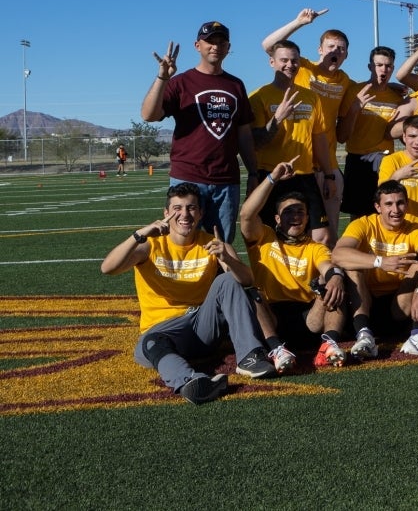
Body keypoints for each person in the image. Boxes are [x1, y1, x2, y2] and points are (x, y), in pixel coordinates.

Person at [100, 183, 275, 405]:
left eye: (191, 208)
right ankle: (192, 382)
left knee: (229, 279)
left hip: (202, 325)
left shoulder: (212, 243)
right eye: (177, 208)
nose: (184, 214)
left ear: (201, 213)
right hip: (164, 331)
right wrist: (139, 235)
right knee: (150, 343)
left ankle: (249, 357)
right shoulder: (150, 245)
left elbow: (248, 281)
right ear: (166, 213)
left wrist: (227, 259)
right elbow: (108, 268)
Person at [141, 22, 257, 243]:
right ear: (197, 45)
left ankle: (219, 279)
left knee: (221, 245)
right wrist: (162, 78)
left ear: (228, 46)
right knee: (182, 243)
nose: (216, 46)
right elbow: (148, 115)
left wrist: (253, 172)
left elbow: (244, 134)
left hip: (226, 180)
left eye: (221, 42)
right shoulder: (181, 82)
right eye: (210, 41)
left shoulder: (236, 85)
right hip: (187, 177)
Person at [239, 159, 351, 372]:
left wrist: (335, 276)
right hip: (272, 320)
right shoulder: (264, 236)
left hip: (309, 319)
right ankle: (276, 350)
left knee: (335, 284)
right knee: (251, 294)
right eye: (288, 212)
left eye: (300, 212)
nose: (294, 216)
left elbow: (327, 265)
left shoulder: (314, 246)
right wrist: (272, 177)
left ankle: (329, 342)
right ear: (277, 218)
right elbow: (246, 215)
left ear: (308, 218)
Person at [261, 9, 358, 245]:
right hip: (296, 163)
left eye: (341, 48)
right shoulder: (302, 67)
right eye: (330, 46)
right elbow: (269, 45)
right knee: (290, 228)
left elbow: (369, 92)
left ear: (346, 55)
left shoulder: (346, 81)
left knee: (328, 231)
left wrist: (397, 89)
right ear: (320, 50)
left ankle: (329, 278)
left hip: (328, 165)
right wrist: (299, 22)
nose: (335, 51)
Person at [331, 181, 418, 358]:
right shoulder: (364, 224)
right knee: (352, 268)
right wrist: (380, 261)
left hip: (398, 306)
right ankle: (364, 334)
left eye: (400, 203)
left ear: (407, 205)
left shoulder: (414, 229)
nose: (395, 210)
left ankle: (417, 335)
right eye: (388, 204)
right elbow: (338, 255)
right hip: (365, 304)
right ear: (378, 207)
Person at [248, 38, 332, 245]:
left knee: (320, 235)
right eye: (283, 60)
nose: (290, 65)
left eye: (294, 61)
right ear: (272, 62)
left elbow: (319, 138)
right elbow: (255, 142)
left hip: (304, 174)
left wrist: (329, 174)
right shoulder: (259, 97)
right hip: (271, 174)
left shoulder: (311, 97)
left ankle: (311, 277)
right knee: (270, 234)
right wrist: (278, 118)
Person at [339, 46, 408, 218]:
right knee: (359, 218)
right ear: (370, 66)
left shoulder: (397, 97)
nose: (383, 69)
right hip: (358, 161)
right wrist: (355, 108)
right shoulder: (355, 92)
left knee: (388, 213)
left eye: (388, 66)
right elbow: (341, 136)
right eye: (379, 65)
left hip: (385, 162)